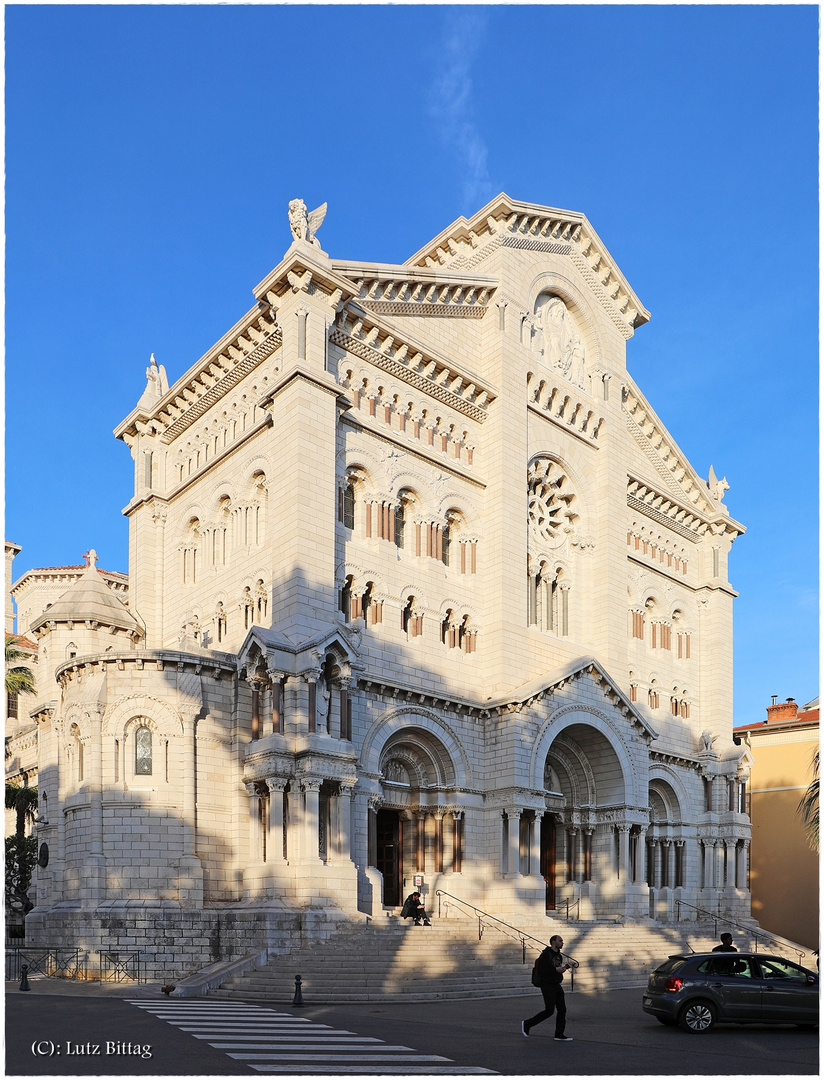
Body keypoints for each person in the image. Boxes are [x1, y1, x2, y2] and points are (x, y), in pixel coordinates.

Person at [522, 934, 573, 1041]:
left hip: (556, 984)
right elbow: (542, 970)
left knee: (562, 1009)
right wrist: (555, 970)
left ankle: (559, 1034)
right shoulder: (545, 955)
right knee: (549, 1010)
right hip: (547, 984)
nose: (562, 942)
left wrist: (564, 968)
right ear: (553, 942)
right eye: (560, 940)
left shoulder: (559, 956)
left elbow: (557, 968)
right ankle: (527, 1024)